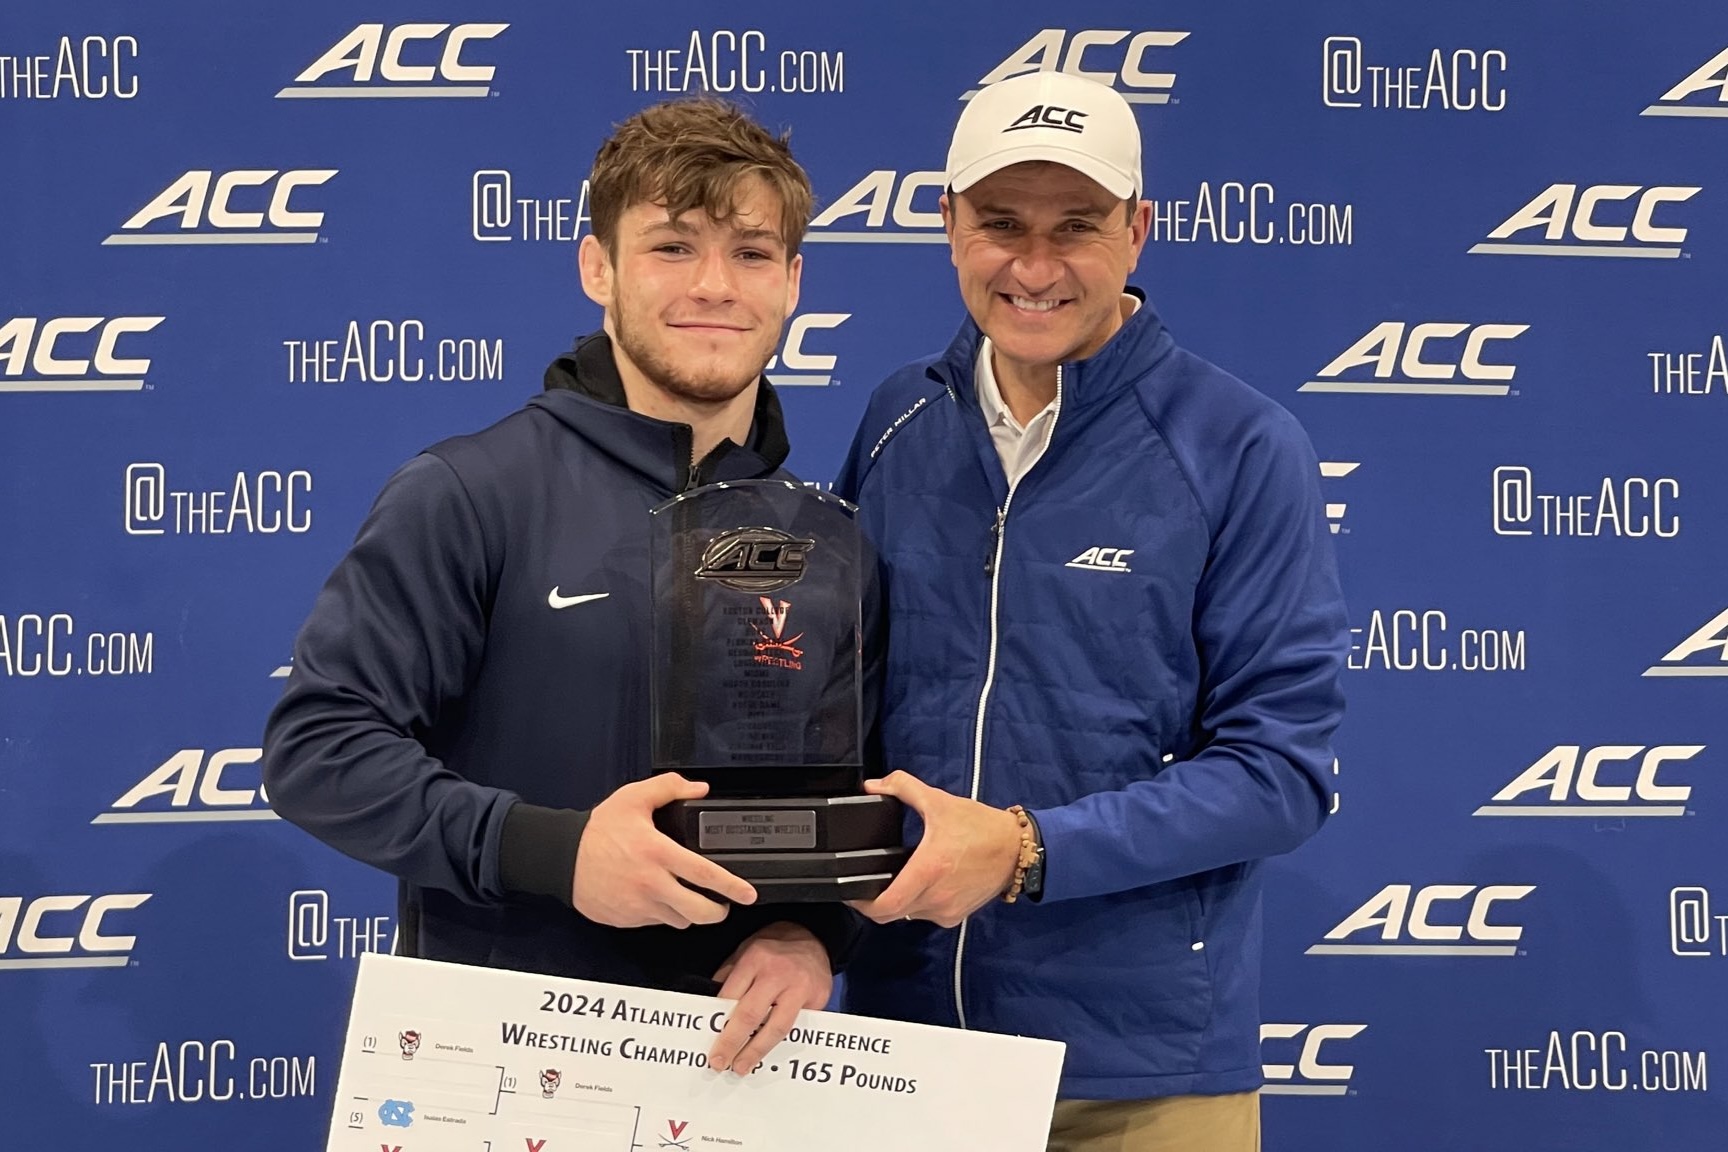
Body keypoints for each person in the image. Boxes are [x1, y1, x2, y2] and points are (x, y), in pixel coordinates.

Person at [262, 97, 851, 1078]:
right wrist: (556, 853)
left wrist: (814, 931)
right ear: (597, 268)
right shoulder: (470, 492)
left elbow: (845, 798)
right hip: (494, 1073)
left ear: (792, 281)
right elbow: (318, 751)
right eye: (672, 247)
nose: (714, 285)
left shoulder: (826, 539)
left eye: (751, 253)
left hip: (736, 1084)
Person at [834, 71, 1349, 1151]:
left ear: (1137, 230)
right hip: (902, 1058)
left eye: (1075, 225)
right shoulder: (896, 421)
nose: (1034, 267)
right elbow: (836, 712)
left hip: (1139, 1082)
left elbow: (1280, 775)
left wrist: (1028, 850)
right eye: (1000, 224)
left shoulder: (1241, 446)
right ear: (948, 224)